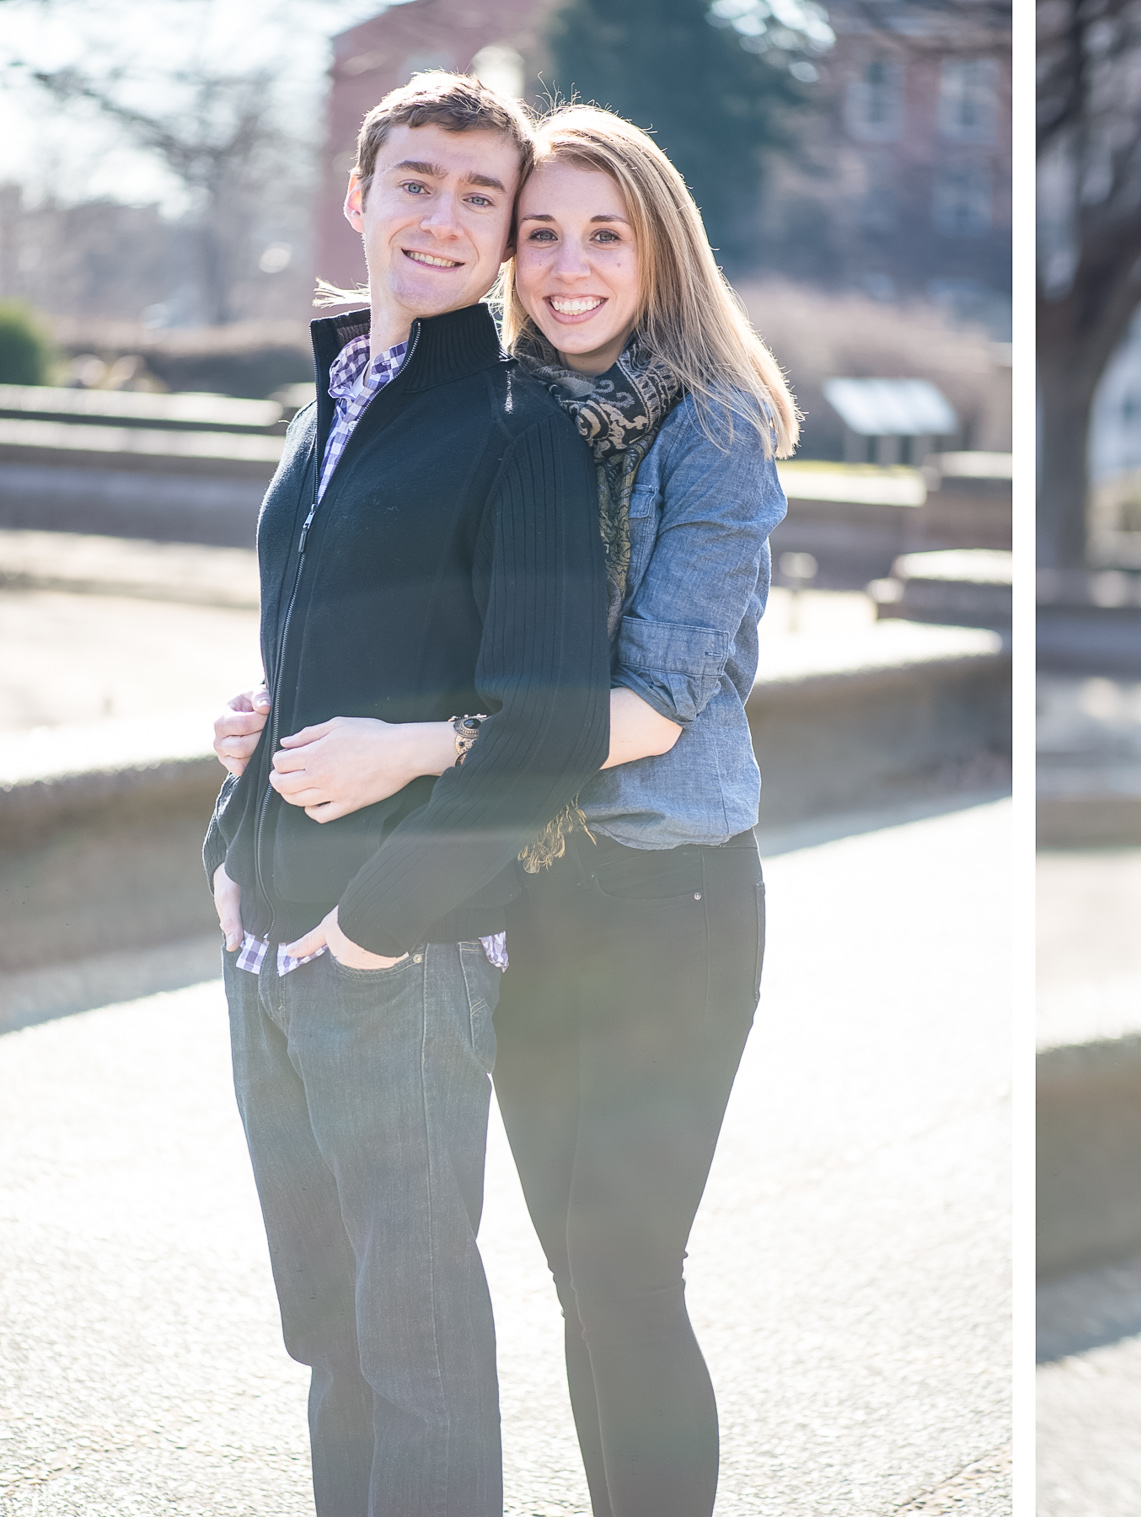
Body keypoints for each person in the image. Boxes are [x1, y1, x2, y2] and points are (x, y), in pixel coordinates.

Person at [215, 104, 796, 1517]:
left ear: (663, 254)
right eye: (542, 233)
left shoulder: (708, 434)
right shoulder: (513, 411)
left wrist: (406, 748)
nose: (566, 264)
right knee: (561, 1259)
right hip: (532, 887)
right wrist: (281, 726)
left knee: (622, 1267)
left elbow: (650, 705)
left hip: (666, 891)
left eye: (606, 235)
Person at [202, 73, 609, 1516]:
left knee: (417, 1340)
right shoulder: (331, 405)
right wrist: (240, 809)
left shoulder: (518, 425)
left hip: (398, 949)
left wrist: (378, 924)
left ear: (505, 238)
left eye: (478, 196)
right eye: (418, 182)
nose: (442, 216)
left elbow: (554, 721)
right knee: (330, 1332)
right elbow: (339, 643)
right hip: (265, 926)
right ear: (359, 194)